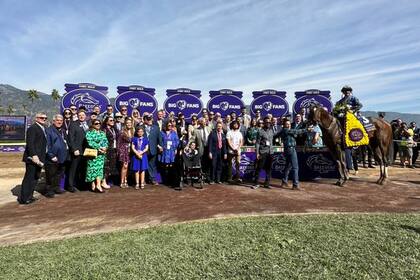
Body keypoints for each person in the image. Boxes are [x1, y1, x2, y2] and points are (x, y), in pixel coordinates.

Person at [18, 113, 48, 204]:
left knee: (35, 177)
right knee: (29, 177)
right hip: (33, 158)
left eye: (45, 118)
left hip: (40, 158)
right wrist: (34, 155)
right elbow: (30, 143)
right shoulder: (33, 128)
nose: (44, 119)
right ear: (36, 118)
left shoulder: (43, 128)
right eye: (42, 118)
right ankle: (24, 198)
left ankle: (30, 196)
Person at [280, 119, 310, 190]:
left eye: (289, 124)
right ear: (284, 125)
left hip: (289, 149)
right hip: (290, 149)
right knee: (295, 167)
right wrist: (306, 130)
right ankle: (295, 185)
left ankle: (284, 181)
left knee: (288, 166)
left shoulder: (287, 131)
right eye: (287, 124)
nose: (289, 125)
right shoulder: (285, 130)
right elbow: (296, 131)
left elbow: (296, 133)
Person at [253, 116, 281, 189]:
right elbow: (257, 143)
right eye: (266, 122)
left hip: (270, 152)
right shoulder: (260, 131)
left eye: (269, 122)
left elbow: (275, 136)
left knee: (269, 169)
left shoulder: (271, 130)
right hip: (262, 152)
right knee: (259, 168)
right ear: (264, 123)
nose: (268, 123)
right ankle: (256, 183)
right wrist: (257, 153)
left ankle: (267, 184)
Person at [45, 114, 69, 198]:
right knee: (51, 175)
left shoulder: (62, 130)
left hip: (62, 156)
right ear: (53, 121)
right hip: (52, 157)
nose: (59, 122)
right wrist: (51, 155)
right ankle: (49, 190)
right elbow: (47, 145)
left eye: (61, 121)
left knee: (59, 174)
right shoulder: (49, 130)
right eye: (57, 120)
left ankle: (56, 188)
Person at [67, 110, 89, 192]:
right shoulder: (73, 124)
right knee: (74, 169)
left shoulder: (88, 125)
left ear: (86, 116)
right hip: (77, 151)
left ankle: (82, 185)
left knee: (83, 169)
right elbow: (70, 138)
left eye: (83, 115)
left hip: (86, 151)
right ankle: (70, 186)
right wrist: (74, 149)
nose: (81, 116)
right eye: (80, 115)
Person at [85, 120, 108, 192]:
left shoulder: (102, 133)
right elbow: (90, 142)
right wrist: (99, 148)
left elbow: (106, 141)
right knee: (92, 170)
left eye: (99, 123)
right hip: (93, 154)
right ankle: (93, 185)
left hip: (101, 155)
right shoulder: (89, 133)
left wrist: (105, 148)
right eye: (96, 123)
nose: (98, 124)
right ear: (92, 124)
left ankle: (98, 185)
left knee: (99, 170)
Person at [142, 114, 162, 185]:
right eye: (148, 119)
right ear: (144, 120)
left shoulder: (156, 128)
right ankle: (142, 180)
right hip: (143, 150)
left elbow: (159, 139)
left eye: (151, 119)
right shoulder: (140, 127)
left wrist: (161, 146)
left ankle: (155, 179)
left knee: (153, 165)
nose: (150, 120)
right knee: (143, 165)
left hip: (153, 149)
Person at [191, 118, 212, 182]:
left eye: (205, 121)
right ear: (200, 122)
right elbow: (193, 139)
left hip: (209, 149)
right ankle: (200, 177)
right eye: (203, 121)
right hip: (200, 149)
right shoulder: (196, 130)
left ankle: (208, 177)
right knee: (201, 163)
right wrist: (188, 145)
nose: (204, 122)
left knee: (209, 163)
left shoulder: (209, 129)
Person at [159, 122, 179, 186]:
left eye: (171, 125)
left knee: (171, 165)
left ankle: (170, 180)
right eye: (168, 125)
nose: (170, 126)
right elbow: (159, 141)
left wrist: (175, 148)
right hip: (164, 151)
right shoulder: (162, 133)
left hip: (171, 151)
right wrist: (160, 147)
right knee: (164, 165)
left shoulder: (174, 133)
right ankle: (163, 180)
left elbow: (177, 141)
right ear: (166, 125)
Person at [102, 116, 119, 188]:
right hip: (107, 150)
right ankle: (103, 182)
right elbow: (103, 140)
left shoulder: (114, 129)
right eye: (111, 120)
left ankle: (106, 180)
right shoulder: (104, 130)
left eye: (113, 120)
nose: (112, 121)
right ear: (106, 122)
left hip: (113, 150)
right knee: (106, 166)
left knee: (111, 166)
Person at [117, 117, 134, 188]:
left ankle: (126, 180)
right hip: (124, 151)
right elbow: (118, 142)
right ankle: (122, 182)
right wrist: (119, 151)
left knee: (128, 167)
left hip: (131, 151)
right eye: (127, 123)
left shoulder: (133, 131)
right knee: (125, 166)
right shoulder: (122, 132)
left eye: (130, 123)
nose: (129, 124)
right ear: (125, 124)